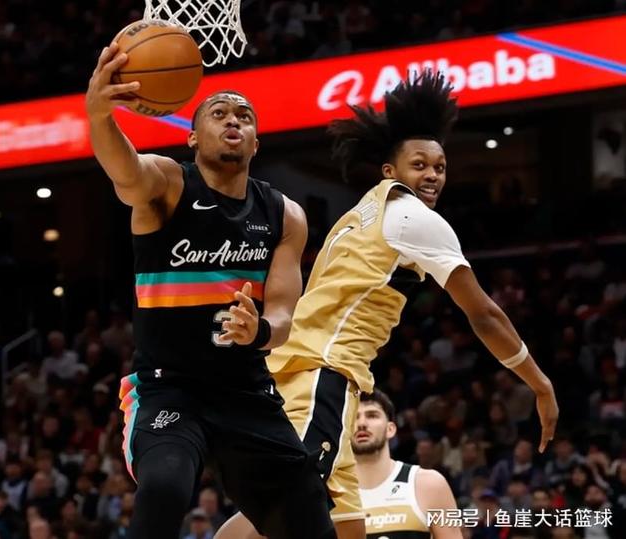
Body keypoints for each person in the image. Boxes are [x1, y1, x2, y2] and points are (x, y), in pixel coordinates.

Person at [216, 71, 558, 539]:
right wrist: (540, 384)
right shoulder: (412, 216)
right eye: (419, 165)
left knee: (347, 529)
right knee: (281, 508)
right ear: (390, 172)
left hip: (311, 373)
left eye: (440, 166)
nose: (432, 175)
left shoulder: (358, 215)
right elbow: (483, 314)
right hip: (320, 374)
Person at [85, 41, 336, 539]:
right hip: (169, 386)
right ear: (193, 138)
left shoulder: (285, 215)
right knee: (164, 489)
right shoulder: (166, 185)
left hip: (246, 391)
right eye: (218, 113)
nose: (233, 120)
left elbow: (284, 316)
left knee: (310, 521)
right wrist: (99, 117)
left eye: (244, 116)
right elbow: (125, 170)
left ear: (256, 143)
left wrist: (259, 331)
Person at [353, 390, 462, 538]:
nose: (362, 424)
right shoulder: (330, 492)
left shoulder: (429, 484)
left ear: (390, 429)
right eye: (354, 417)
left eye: (372, 415)